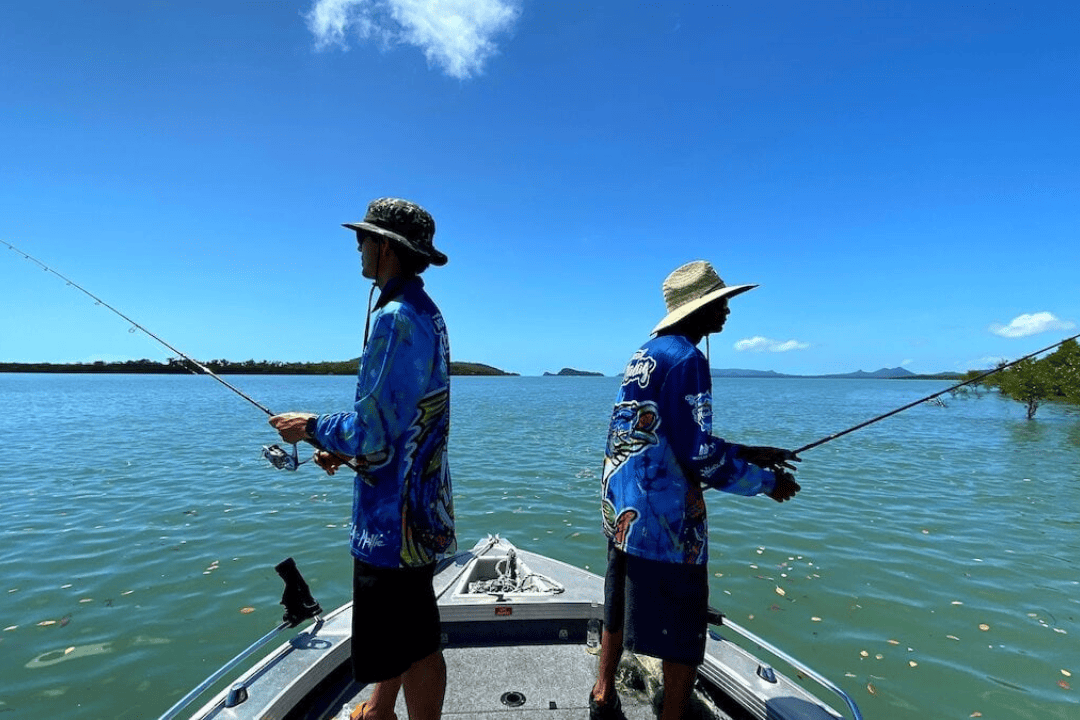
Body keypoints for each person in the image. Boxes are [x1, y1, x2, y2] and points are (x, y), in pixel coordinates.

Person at [269, 197, 455, 720]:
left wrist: (310, 429)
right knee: (406, 630)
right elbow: (399, 427)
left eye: (364, 238)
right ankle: (379, 709)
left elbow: (372, 431)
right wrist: (341, 448)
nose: (357, 247)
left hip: (392, 525)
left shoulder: (396, 318)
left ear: (387, 249)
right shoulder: (424, 311)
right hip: (417, 508)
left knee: (417, 643)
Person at [590, 260, 801, 720]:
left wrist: (751, 450)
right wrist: (766, 483)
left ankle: (603, 695)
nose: (726, 311)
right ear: (697, 309)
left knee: (617, 605)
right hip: (666, 522)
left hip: (622, 509)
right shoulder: (689, 359)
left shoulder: (647, 353)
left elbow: (664, 433)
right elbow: (699, 454)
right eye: (720, 303)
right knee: (684, 637)